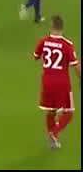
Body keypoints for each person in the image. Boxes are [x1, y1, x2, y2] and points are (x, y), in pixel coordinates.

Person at [34, 15, 80, 149]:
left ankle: (52, 141)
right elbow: (76, 66)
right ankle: (54, 133)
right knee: (69, 113)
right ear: (62, 27)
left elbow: (36, 56)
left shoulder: (43, 42)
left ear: (51, 26)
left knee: (51, 111)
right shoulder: (67, 45)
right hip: (62, 83)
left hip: (47, 82)